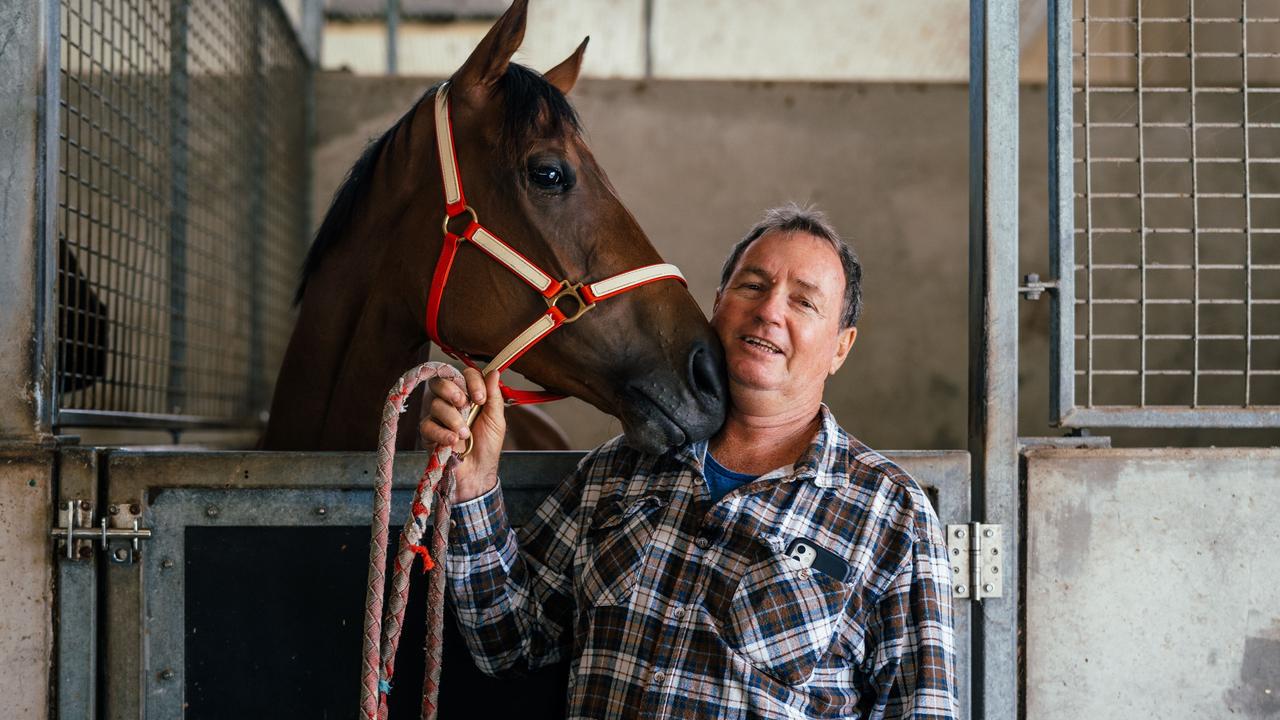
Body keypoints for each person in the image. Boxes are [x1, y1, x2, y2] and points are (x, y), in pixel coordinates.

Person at [421, 204, 958, 719]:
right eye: (753, 286)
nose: (770, 310)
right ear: (717, 303)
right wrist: (475, 484)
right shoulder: (620, 468)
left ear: (841, 347)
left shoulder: (892, 516)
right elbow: (509, 644)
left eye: (804, 302)